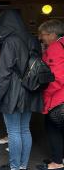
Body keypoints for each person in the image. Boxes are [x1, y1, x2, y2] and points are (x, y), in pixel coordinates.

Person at [0, 10, 43, 170]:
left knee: (13, 131)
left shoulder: (10, 41)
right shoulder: (33, 39)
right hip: (31, 90)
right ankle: (22, 166)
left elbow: (3, 73)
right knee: (25, 129)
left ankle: (14, 167)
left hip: (13, 93)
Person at [36, 19, 64, 170]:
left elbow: (56, 78)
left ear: (53, 34)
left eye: (43, 34)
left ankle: (57, 163)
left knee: (53, 128)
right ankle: (60, 157)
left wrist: (42, 92)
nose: (41, 37)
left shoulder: (55, 48)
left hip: (58, 98)